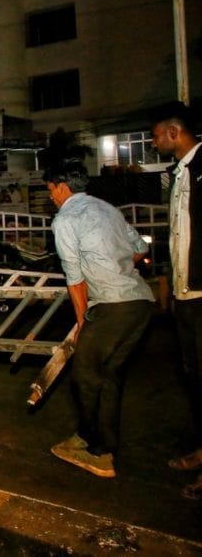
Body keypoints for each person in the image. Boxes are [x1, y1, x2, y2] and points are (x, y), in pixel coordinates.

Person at [44, 161, 154, 478]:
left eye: (51, 188)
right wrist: (116, 268)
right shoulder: (106, 209)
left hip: (113, 307)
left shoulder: (66, 219)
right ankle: (91, 437)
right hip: (139, 303)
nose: (50, 195)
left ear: (62, 187)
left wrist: (83, 323)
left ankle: (100, 451)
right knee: (109, 375)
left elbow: (75, 279)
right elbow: (138, 248)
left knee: (85, 376)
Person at [152, 106, 202, 499]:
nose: (153, 143)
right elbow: (177, 232)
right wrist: (170, 283)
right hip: (187, 294)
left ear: (174, 132)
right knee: (194, 378)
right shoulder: (179, 173)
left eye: (156, 137)